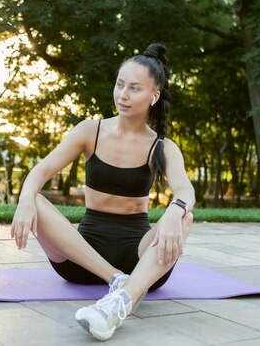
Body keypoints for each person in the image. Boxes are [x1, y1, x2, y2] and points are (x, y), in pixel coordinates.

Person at [10, 43, 195, 341]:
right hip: (81, 258)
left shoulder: (162, 147)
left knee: (186, 217)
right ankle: (117, 282)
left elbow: (185, 189)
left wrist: (176, 210)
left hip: (140, 262)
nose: (123, 95)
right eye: (120, 85)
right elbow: (41, 170)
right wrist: (24, 202)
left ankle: (120, 303)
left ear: (154, 96)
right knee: (36, 198)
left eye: (135, 88)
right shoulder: (89, 130)